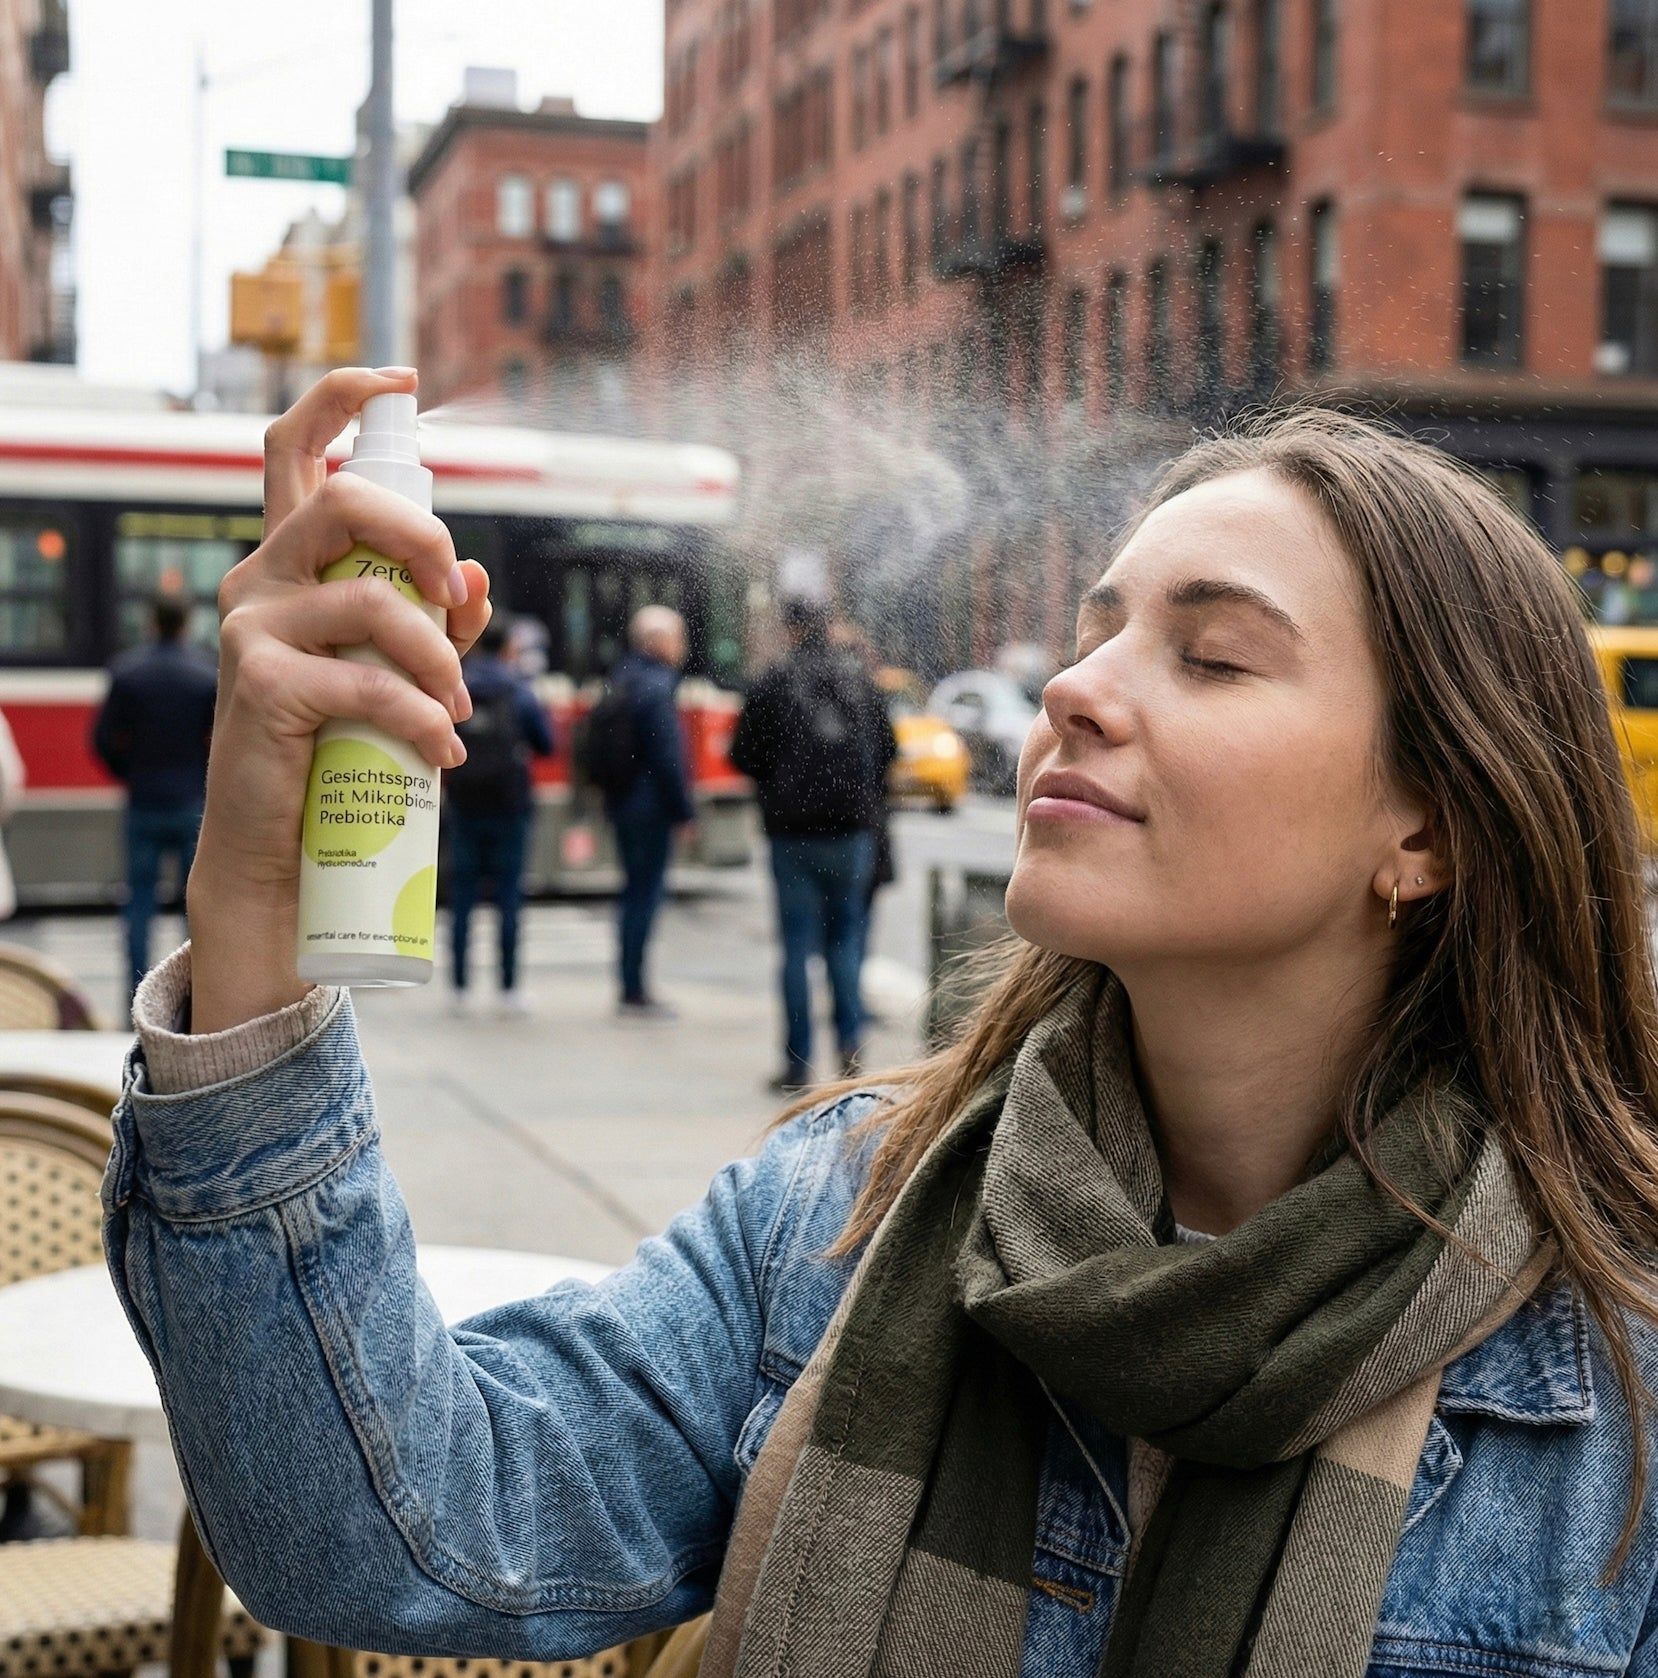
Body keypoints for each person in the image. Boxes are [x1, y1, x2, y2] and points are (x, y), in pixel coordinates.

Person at [104, 375, 1658, 1677]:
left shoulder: (1618, 1381)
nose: (1073, 684)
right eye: (1096, 628)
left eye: (1209, 654)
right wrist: (251, 884)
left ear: (1429, 826)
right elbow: (379, 1534)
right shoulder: (829, 1215)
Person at [730, 598, 897, 1090]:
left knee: (797, 948)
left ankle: (796, 1061)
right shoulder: (859, 679)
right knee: (846, 943)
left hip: (791, 836)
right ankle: (849, 1051)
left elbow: (743, 753)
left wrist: (776, 787)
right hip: (851, 832)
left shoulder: (773, 679)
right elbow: (889, 750)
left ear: (791, 628)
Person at [90, 592, 216, 1000]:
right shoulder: (206, 675)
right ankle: (191, 992)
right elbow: (220, 742)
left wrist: (128, 773)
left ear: (151, 622)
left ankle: (137, 991)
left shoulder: (128, 673)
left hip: (143, 801)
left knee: (139, 901)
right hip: (190, 805)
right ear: (186, 623)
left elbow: (102, 739)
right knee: (193, 904)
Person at [445, 613, 555, 1014]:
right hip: (510, 807)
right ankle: (508, 989)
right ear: (510, 647)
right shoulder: (519, 690)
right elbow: (546, 743)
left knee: (463, 897)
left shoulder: (460, 687)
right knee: (508, 897)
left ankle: (458, 987)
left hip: (464, 803)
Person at [592, 605, 695, 1018]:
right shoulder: (658, 686)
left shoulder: (621, 678)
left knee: (631, 892)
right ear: (661, 642)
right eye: (677, 637)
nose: (682, 646)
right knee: (644, 896)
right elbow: (667, 756)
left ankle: (629, 982)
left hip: (622, 801)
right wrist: (684, 811)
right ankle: (634, 989)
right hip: (650, 807)